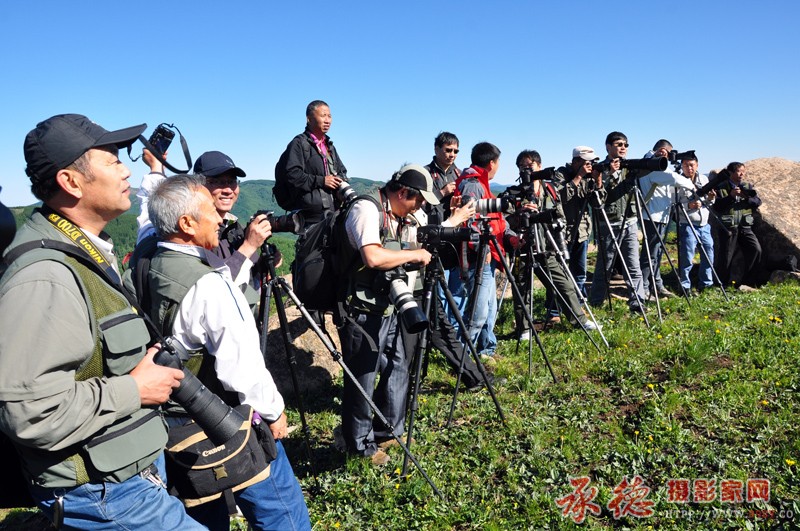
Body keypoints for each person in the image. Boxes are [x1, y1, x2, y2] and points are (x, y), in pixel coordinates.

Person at [0, 114, 204, 529]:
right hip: (102, 493)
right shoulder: (45, 276)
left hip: (127, 474)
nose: (126, 170)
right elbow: (30, 412)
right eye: (112, 160)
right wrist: (135, 389)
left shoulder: (85, 251)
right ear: (71, 182)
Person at [144, 174, 311, 530]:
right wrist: (273, 413)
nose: (220, 220)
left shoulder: (148, 262)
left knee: (203, 513)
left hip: (173, 425)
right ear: (187, 223)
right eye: (210, 211)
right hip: (223, 416)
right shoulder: (208, 283)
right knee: (280, 511)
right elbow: (242, 368)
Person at [337, 164, 434, 465]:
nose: (419, 207)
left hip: (388, 304)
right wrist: (414, 254)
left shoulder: (397, 214)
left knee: (397, 365)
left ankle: (388, 429)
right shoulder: (367, 209)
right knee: (363, 377)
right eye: (418, 200)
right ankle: (359, 446)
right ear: (403, 192)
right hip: (360, 309)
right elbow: (372, 256)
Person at [137, 150, 273, 293]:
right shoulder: (190, 234)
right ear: (198, 186)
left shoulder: (233, 227)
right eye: (217, 182)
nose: (228, 189)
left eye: (232, 181)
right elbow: (213, 291)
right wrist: (248, 247)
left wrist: (263, 265)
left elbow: (247, 279)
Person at [510, 150, 598, 335]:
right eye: (522, 167)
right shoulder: (514, 193)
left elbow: (559, 214)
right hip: (523, 247)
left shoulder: (550, 190)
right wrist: (519, 214)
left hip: (548, 246)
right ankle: (524, 329)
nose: (526, 170)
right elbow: (505, 220)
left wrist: (560, 236)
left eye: (530, 166)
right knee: (522, 289)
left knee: (564, 284)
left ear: (539, 166)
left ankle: (580, 320)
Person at [451, 142, 509, 358]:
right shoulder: (473, 185)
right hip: (479, 255)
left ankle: (486, 349)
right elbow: (469, 221)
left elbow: (494, 219)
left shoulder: (478, 182)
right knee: (478, 311)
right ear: (492, 163)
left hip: (487, 253)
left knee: (489, 307)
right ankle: (462, 356)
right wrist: (481, 247)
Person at [589, 132, 647, 312]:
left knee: (633, 265)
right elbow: (596, 197)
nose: (623, 148)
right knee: (605, 267)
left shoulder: (629, 167)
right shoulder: (599, 168)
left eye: (626, 145)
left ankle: (637, 302)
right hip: (609, 223)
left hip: (630, 221)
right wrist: (609, 174)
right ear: (608, 147)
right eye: (619, 144)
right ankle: (596, 301)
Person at [636, 140, 695, 300]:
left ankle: (657, 284)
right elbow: (673, 178)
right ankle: (644, 289)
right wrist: (691, 185)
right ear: (663, 150)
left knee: (656, 253)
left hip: (659, 214)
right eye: (669, 153)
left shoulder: (655, 162)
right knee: (650, 254)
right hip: (652, 215)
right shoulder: (651, 164)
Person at [275, 100, 348, 225]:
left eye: (329, 116)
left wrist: (340, 182)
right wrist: (322, 181)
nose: (327, 120)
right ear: (309, 119)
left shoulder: (329, 146)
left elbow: (342, 171)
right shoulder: (298, 144)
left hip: (333, 212)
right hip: (311, 217)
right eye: (323, 116)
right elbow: (292, 175)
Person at [556, 146, 598, 298]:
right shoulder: (561, 174)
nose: (590, 165)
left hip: (583, 231)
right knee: (560, 271)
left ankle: (578, 303)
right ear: (576, 162)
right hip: (564, 232)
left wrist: (598, 181)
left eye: (591, 162)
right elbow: (559, 197)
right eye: (587, 162)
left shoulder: (589, 177)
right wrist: (579, 177)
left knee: (580, 273)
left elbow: (598, 204)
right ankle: (557, 305)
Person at [712, 162, 763, 288]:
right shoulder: (721, 187)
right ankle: (722, 285)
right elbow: (717, 206)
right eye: (739, 171)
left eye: (743, 171)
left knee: (756, 250)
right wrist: (731, 196)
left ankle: (748, 282)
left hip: (745, 226)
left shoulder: (747, 186)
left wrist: (745, 197)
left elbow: (757, 202)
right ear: (730, 172)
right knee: (726, 256)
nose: (742, 174)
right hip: (728, 227)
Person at [676, 154, 716, 293]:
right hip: (687, 224)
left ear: (697, 165)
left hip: (704, 224)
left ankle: (706, 283)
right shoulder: (677, 181)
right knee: (687, 256)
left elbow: (710, 202)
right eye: (686, 165)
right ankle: (685, 285)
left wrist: (710, 198)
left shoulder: (704, 179)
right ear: (682, 166)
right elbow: (673, 205)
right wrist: (689, 205)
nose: (689, 168)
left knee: (708, 254)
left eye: (692, 165)